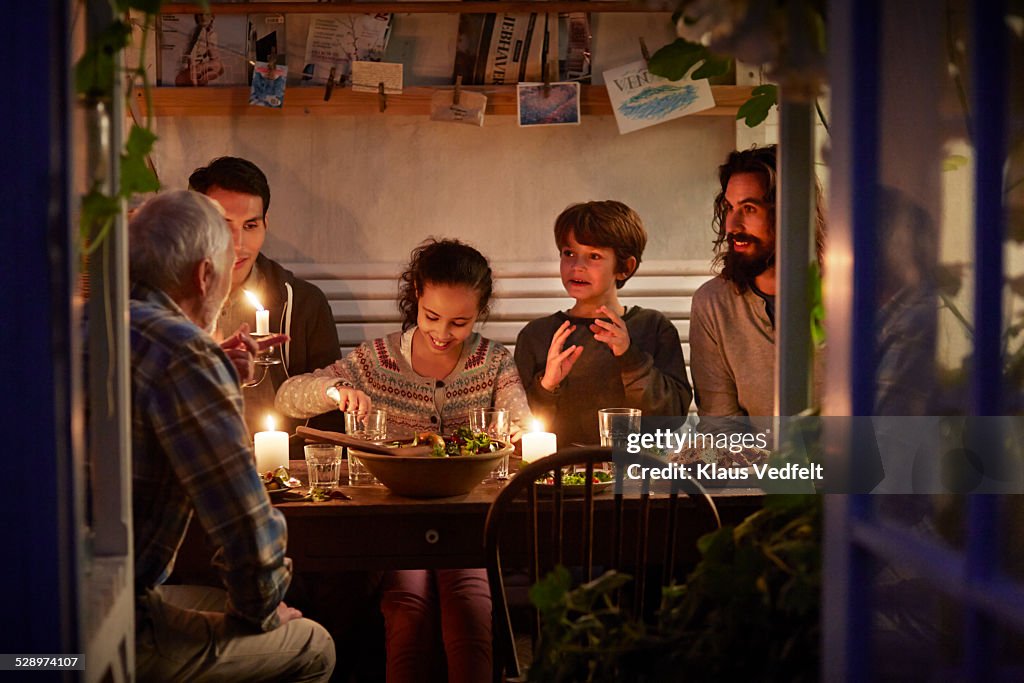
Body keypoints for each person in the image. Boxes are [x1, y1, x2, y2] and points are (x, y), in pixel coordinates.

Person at [276, 238, 531, 682]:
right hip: (399, 519)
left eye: (461, 322)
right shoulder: (377, 361)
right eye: (432, 316)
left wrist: (513, 433)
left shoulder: (493, 362)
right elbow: (288, 395)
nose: (443, 333)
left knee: (469, 604)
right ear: (417, 294)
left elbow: (523, 426)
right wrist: (335, 392)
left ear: (480, 313)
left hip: (467, 519)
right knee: (406, 608)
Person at [126, 190, 335, 681]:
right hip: (110, 629)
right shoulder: (184, 355)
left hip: (38, 623)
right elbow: (245, 531)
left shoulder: (86, 324)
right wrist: (265, 612)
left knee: (209, 602)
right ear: (203, 276)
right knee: (312, 645)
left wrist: (213, 364)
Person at [189, 156, 343, 447]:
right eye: (223, 225)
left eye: (250, 225)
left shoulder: (304, 304)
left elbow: (329, 418)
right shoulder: (172, 302)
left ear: (265, 223)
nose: (238, 243)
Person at [514, 200, 693, 446]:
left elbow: (671, 419)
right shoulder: (537, 335)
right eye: (569, 253)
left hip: (635, 474)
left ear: (625, 267)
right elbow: (519, 427)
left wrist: (631, 359)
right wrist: (547, 385)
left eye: (594, 256)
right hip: (557, 476)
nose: (577, 266)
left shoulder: (653, 327)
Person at [688, 144, 826, 419]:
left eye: (749, 208)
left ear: (791, 212)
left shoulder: (848, 295)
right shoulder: (713, 303)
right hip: (759, 462)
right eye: (729, 207)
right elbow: (721, 427)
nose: (732, 225)